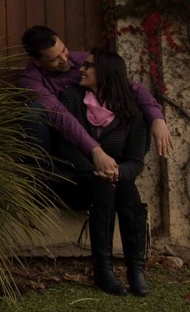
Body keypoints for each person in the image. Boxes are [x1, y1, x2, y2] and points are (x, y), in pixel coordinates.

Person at [18, 25, 171, 182]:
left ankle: (121, 171)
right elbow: (60, 116)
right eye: (54, 59)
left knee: (141, 113)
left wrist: (157, 119)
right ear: (36, 61)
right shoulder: (31, 80)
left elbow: (128, 86)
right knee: (33, 111)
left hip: (101, 133)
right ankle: (41, 180)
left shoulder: (84, 60)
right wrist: (95, 150)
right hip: (63, 141)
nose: (64, 60)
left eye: (63, 50)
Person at [54, 49, 150, 295]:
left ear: (106, 73)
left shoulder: (133, 113)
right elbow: (64, 145)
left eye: (89, 66)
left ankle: (135, 270)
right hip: (75, 179)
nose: (81, 70)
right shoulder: (72, 98)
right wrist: (94, 169)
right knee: (106, 186)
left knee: (127, 188)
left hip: (112, 183)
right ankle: (103, 270)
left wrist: (115, 172)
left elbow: (135, 162)